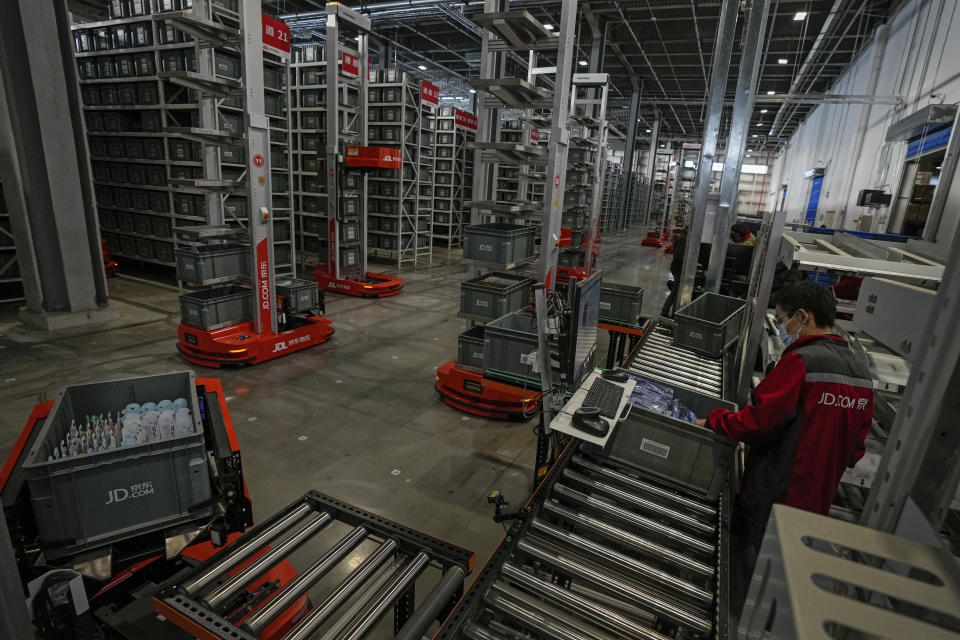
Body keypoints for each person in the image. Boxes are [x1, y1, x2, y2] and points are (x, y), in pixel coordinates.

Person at [693, 280, 873, 604]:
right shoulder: (861, 372)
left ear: (802, 317)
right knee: (781, 578)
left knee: (748, 578)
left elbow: (759, 422)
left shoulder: (803, 361)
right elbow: (855, 449)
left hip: (774, 493)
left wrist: (715, 420)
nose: (782, 328)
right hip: (817, 500)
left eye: (782, 320)